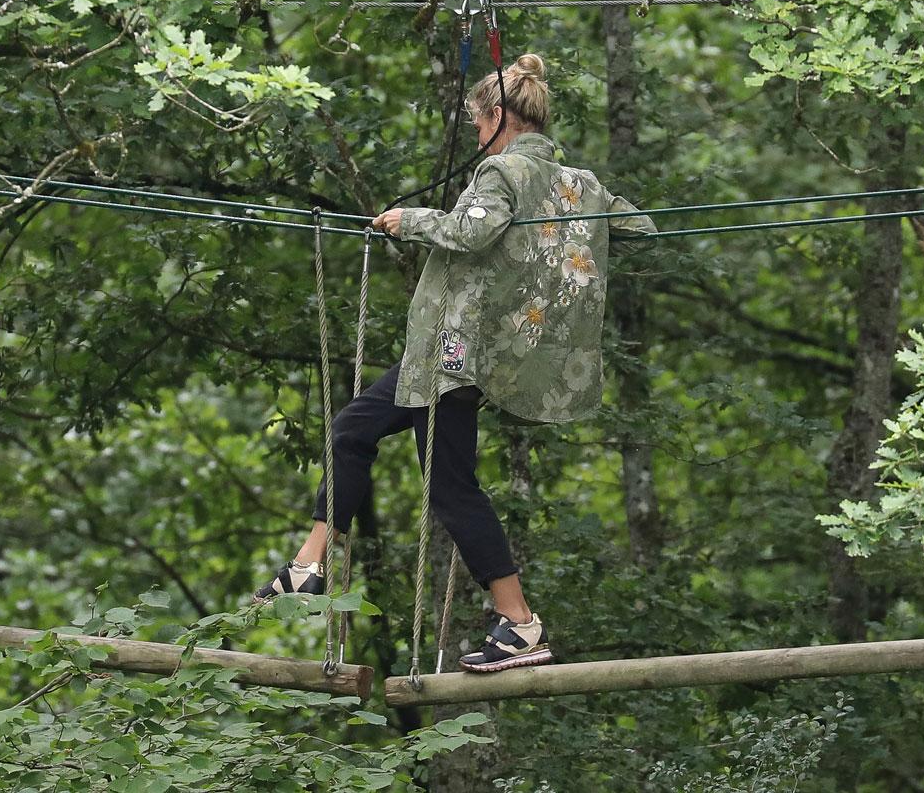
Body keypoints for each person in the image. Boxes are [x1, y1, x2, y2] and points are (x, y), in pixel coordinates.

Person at [254, 53, 656, 673]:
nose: (474, 133)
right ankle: (308, 565)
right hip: (442, 358)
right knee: (353, 430)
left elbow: (470, 232)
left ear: (498, 117)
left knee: (451, 489)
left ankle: (521, 624)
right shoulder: (580, 184)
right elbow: (642, 229)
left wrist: (406, 219)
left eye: (476, 122)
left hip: (453, 355)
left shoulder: (499, 172)